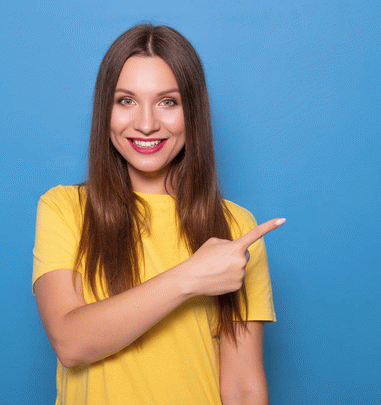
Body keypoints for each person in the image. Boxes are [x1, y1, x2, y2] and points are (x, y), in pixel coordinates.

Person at [32, 23, 285, 405]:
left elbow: (244, 388)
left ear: (192, 111)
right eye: (126, 101)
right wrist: (191, 277)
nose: (147, 124)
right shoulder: (64, 208)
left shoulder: (236, 227)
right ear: (105, 111)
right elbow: (70, 342)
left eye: (168, 102)